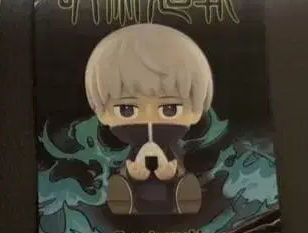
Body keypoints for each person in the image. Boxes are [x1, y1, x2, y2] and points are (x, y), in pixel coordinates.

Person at [84, 23, 214, 215]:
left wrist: (172, 172)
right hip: (136, 192)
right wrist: (131, 173)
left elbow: (176, 160)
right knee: (124, 178)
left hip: (170, 191)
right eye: (126, 109)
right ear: (102, 113)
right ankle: (124, 195)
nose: (149, 118)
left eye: (170, 108)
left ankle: (182, 193)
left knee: (180, 177)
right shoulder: (133, 146)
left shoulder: (171, 146)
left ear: (195, 111)